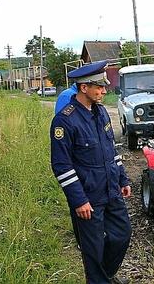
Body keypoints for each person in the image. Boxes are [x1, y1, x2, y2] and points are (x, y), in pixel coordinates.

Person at [50, 60, 132, 284]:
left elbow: (111, 150)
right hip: (88, 196)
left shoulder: (102, 113)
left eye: (104, 86)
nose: (104, 90)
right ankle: (99, 280)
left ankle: (103, 277)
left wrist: (123, 178)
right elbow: (61, 166)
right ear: (83, 88)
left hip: (111, 190)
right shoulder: (65, 121)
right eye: (99, 86)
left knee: (122, 235)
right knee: (93, 248)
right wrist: (79, 201)